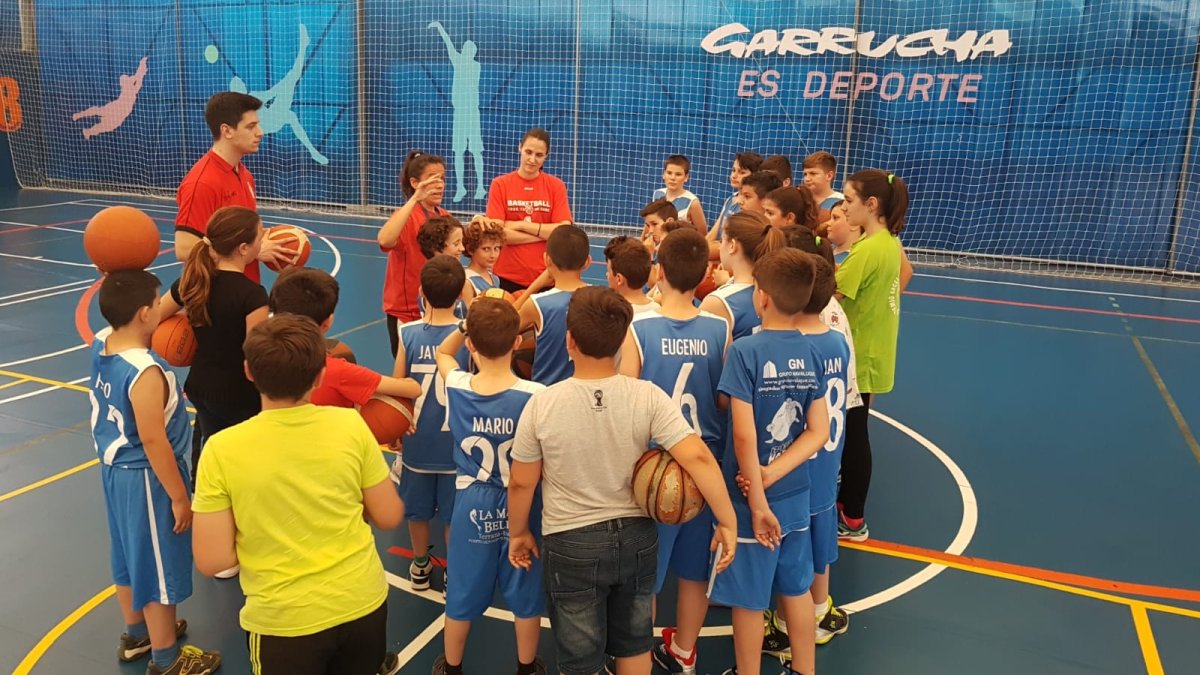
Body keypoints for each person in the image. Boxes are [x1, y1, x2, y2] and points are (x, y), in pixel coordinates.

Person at [507, 287, 737, 675]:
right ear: (620, 343)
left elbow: (521, 483)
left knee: (580, 658)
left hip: (571, 541)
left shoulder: (542, 403)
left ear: (569, 340)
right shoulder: (647, 395)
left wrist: (518, 533)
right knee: (634, 643)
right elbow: (697, 456)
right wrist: (727, 519)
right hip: (636, 538)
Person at [192, 315, 405, 675]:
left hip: (283, 621)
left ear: (248, 371)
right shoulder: (351, 426)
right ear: (321, 374)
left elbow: (212, 560)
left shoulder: (221, 449)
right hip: (361, 605)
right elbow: (388, 516)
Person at [90, 270, 221, 675]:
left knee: (129, 555)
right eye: (160, 302)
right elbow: (154, 441)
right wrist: (180, 496)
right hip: (148, 476)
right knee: (159, 565)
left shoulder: (102, 341)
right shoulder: (146, 371)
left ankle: (137, 634)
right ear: (147, 313)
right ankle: (167, 660)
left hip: (114, 471)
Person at [618, 228, 730, 675]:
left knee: (643, 577)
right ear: (705, 274)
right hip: (704, 468)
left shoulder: (639, 326)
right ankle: (684, 651)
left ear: (657, 272)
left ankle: (638, 656)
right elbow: (723, 398)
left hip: (655, 471)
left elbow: (627, 397)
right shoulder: (721, 327)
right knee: (694, 571)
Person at [712, 249, 830, 675]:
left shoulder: (746, 351)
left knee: (748, 597)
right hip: (796, 493)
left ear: (761, 296)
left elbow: (743, 433)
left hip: (749, 502)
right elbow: (819, 432)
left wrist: (759, 498)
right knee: (796, 589)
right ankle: (804, 669)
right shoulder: (812, 351)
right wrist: (777, 471)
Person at [431, 298, 548, 675]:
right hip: (523, 500)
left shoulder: (459, 384)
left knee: (462, 592)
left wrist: (466, 326)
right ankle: (527, 667)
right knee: (526, 593)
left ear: (471, 346)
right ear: (518, 343)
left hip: (472, 503)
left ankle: (452, 667)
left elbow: (441, 352)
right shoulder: (538, 394)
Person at [761, 233, 855, 654]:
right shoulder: (836, 340)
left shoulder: (799, 350)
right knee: (821, 546)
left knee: (794, 555)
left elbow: (788, 417)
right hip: (829, 462)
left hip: (798, 470)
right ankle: (819, 610)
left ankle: (786, 622)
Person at [160, 206, 268, 499]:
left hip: (201, 386)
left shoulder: (192, 281)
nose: (265, 239)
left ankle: (203, 498)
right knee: (242, 460)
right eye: (261, 235)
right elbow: (255, 355)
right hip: (240, 395)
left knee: (210, 445)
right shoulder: (252, 295)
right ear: (245, 248)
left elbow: (155, 317)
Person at [835, 169, 909, 541]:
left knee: (855, 433)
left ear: (871, 204)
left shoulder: (865, 249)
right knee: (856, 429)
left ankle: (852, 517)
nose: (843, 208)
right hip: (875, 349)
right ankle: (849, 508)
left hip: (859, 354)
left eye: (848, 201)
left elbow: (829, 293)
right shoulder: (890, 243)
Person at [394, 256, 472, 592]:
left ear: (421, 290)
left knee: (417, 512)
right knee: (453, 516)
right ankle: (455, 571)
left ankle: (420, 565)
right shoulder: (468, 337)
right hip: (456, 441)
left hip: (417, 441)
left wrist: (395, 428)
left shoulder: (408, 333)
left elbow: (398, 386)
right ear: (460, 294)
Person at [175, 91, 293, 282]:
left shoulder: (245, 175)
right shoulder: (202, 183)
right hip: (218, 299)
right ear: (227, 131)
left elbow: (235, 236)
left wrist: (263, 239)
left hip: (245, 291)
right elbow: (185, 249)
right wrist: (253, 251)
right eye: (251, 126)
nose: (260, 132)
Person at [268, 267, 423, 408]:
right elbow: (412, 390)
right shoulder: (339, 371)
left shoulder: (261, 358)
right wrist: (407, 383)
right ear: (327, 322)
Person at [378, 150, 450, 355]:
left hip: (436, 309)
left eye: (442, 178)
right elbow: (385, 240)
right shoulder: (406, 216)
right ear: (414, 183)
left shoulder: (444, 216)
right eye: (432, 179)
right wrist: (413, 200)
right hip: (407, 310)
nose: (439, 184)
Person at [487, 128, 574, 292]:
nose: (532, 159)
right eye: (528, 152)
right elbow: (497, 235)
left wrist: (521, 225)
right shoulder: (500, 184)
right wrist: (543, 235)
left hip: (547, 277)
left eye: (539, 155)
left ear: (546, 156)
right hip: (507, 277)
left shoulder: (556, 186)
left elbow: (563, 232)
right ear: (519, 148)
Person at [230, 24, 328, 165]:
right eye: (239, 83)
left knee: (291, 113)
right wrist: (282, 86)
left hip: (273, 116)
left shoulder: (250, 97)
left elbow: (271, 94)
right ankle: (303, 46)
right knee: (292, 78)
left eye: (241, 82)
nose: (242, 83)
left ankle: (313, 152)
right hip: (271, 122)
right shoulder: (245, 102)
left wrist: (281, 87)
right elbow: (271, 94)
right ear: (238, 90)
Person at [517, 225, 591, 385]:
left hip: (546, 393)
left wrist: (534, 286)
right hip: (587, 393)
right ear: (587, 262)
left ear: (547, 260)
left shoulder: (537, 304)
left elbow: (503, 328)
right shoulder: (601, 298)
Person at [700, 212, 788, 341]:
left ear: (732, 246)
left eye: (722, 240)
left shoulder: (719, 302)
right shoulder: (782, 290)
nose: (719, 247)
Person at [429, 21, 486, 202]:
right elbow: (449, 45)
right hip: (461, 114)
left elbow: (449, 44)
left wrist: (440, 28)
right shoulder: (468, 63)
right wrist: (440, 29)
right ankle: (461, 187)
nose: (464, 49)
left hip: (470, 113)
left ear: (471, 52)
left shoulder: (468, 63)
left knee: (475, 152)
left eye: (467, 48)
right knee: (459, 152)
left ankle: (480, 187)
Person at [72, 56, 148, 140]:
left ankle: (88, 130)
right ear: (126, 83)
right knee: (100, 112)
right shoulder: (131, 89)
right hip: (118, 107)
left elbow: (138, 77)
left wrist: (142, 67)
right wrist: (142, 66)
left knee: (106, 123)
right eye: (128, 79)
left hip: (121, 111)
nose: (130, 78)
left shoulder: (132, 88)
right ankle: (80, 117)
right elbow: (138, 77)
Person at [709, 151, 763, 250]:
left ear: (755, 176)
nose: (734, 175)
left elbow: (734, 247)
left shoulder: (752, 206)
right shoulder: (730, 199)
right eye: (733, 170)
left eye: (741, 172)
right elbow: (713, 233)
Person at [653, 155, 707, 236]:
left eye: (678, 174)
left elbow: (702, 234)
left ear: (686, 177)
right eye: (669, 173)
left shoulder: (693, 202)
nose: (673, 178)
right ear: (663, 174)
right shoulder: (657, 194)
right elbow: (650, 223)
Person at [604, 235, 659, 314]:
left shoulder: (613, 314)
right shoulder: (658, 308)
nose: (607, 275)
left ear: (619, 279)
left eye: (608, 272)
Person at [463, 217, 507, 294]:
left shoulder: (495, 279)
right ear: (471, 249)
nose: (492, 255)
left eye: (496, 248)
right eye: (486, 249)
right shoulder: (467, 281)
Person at [801, 151, 845, 215]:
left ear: (829, 176)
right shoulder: (799, 200)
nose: (807, 179)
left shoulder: (842, 201)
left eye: (813, 173)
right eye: (805, 174)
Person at [825, 201, 857, 265]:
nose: (828, 223)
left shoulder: (856, 259)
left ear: (854, 225)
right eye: (830, 218)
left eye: (835, 218)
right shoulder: (824, 250)